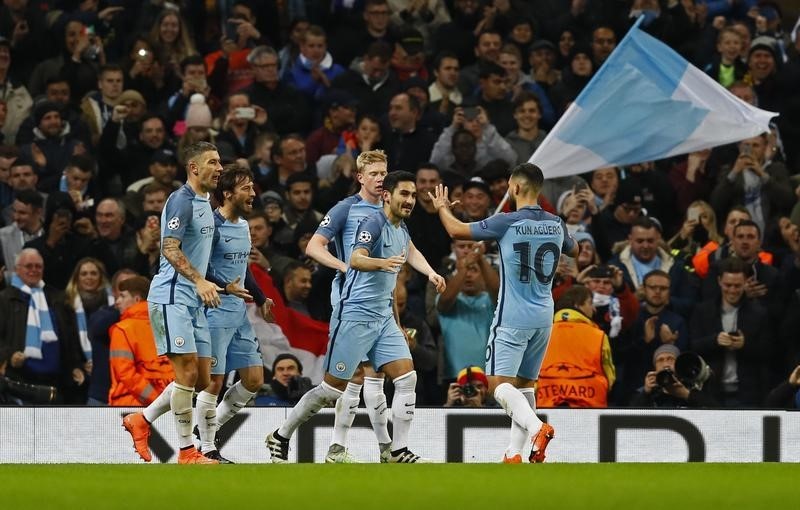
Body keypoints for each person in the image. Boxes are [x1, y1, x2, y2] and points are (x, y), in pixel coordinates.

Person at [267, 171, 446, 464]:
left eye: (413, 195)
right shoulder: (372, 222)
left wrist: (431, 273)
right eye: (404, 194)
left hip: (383, 317)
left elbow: (411, 252)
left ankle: (397, 451)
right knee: (330, 389)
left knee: (406, 377)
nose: (410, 200)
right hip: (356, 314)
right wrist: (381, 263)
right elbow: (356, 258)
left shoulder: (401, 229)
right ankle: (281, 435)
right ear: (387, 196)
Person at [429, 162, 577, 463]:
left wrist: (442, 207)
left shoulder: (506, 221)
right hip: (543, 315)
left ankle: (537, 427)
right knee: (525, 384)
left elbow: (456, 229)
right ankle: (514, 453)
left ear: (517, 187)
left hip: (513, 314)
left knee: (498, 385)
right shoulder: (556, 223)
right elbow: (574, 249)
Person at [121, 141, 223, 465]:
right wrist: (199, 280)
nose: (220, 168)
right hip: (171, 296)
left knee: (203, 378)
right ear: (194, 168)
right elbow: (169, 248)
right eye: (213, 162)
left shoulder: (206, 202)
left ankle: (142, 419)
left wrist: (224, 284)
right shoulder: (182, 201)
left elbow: (200, 254)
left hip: (194, 300)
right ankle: (186, 452)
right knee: (188, 372)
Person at [304, 149, 392, 463]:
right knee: (356, 373)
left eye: (383, 173)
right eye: (374, 174)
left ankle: (381, 448)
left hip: (381, 299)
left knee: (377, 373)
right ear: (360, 177)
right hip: (350, 298)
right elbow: (313, 246)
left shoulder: (390, 209)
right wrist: (344, 267)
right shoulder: (346, 208)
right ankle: (338, 446)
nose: (380, 179)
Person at [195, 164, 274, 463]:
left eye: (253, 187)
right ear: (227, 194)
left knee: (254, 379)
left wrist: (262, 297)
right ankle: (206, 449)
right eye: (246, 189)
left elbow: (244, 269)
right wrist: (223, 286)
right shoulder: (211, 226)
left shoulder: (242, 226)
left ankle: (209, 429)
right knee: (213, 382)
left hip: (239, 313)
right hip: (214, 311)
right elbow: (200, 269)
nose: (253, 193)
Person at [537, 285, 615, 408]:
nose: (593, 309)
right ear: (577, 305)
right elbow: (609, 376)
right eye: (590, 303)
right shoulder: (598, 335)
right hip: (589, 410)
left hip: (546, 407)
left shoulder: (541, 333)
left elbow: (529, 375)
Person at [108, 276, 175, 406]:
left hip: (130, 405)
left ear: (137, 299)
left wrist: (155, 401)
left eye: (122, 296)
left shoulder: (122, 330)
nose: (117, 302)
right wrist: (164, 402)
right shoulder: (168, 326)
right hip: (170, 403)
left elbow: (127, 375)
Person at [629, 344, 718, 408]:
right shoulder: (647, 390)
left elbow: (715, 409)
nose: (665, 364)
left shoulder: (692, 387)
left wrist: (686, 395)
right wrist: (645, 393)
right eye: (660, 360)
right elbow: (631, 417)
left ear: (679, 364)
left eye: (670, 359)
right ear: (654, 367)